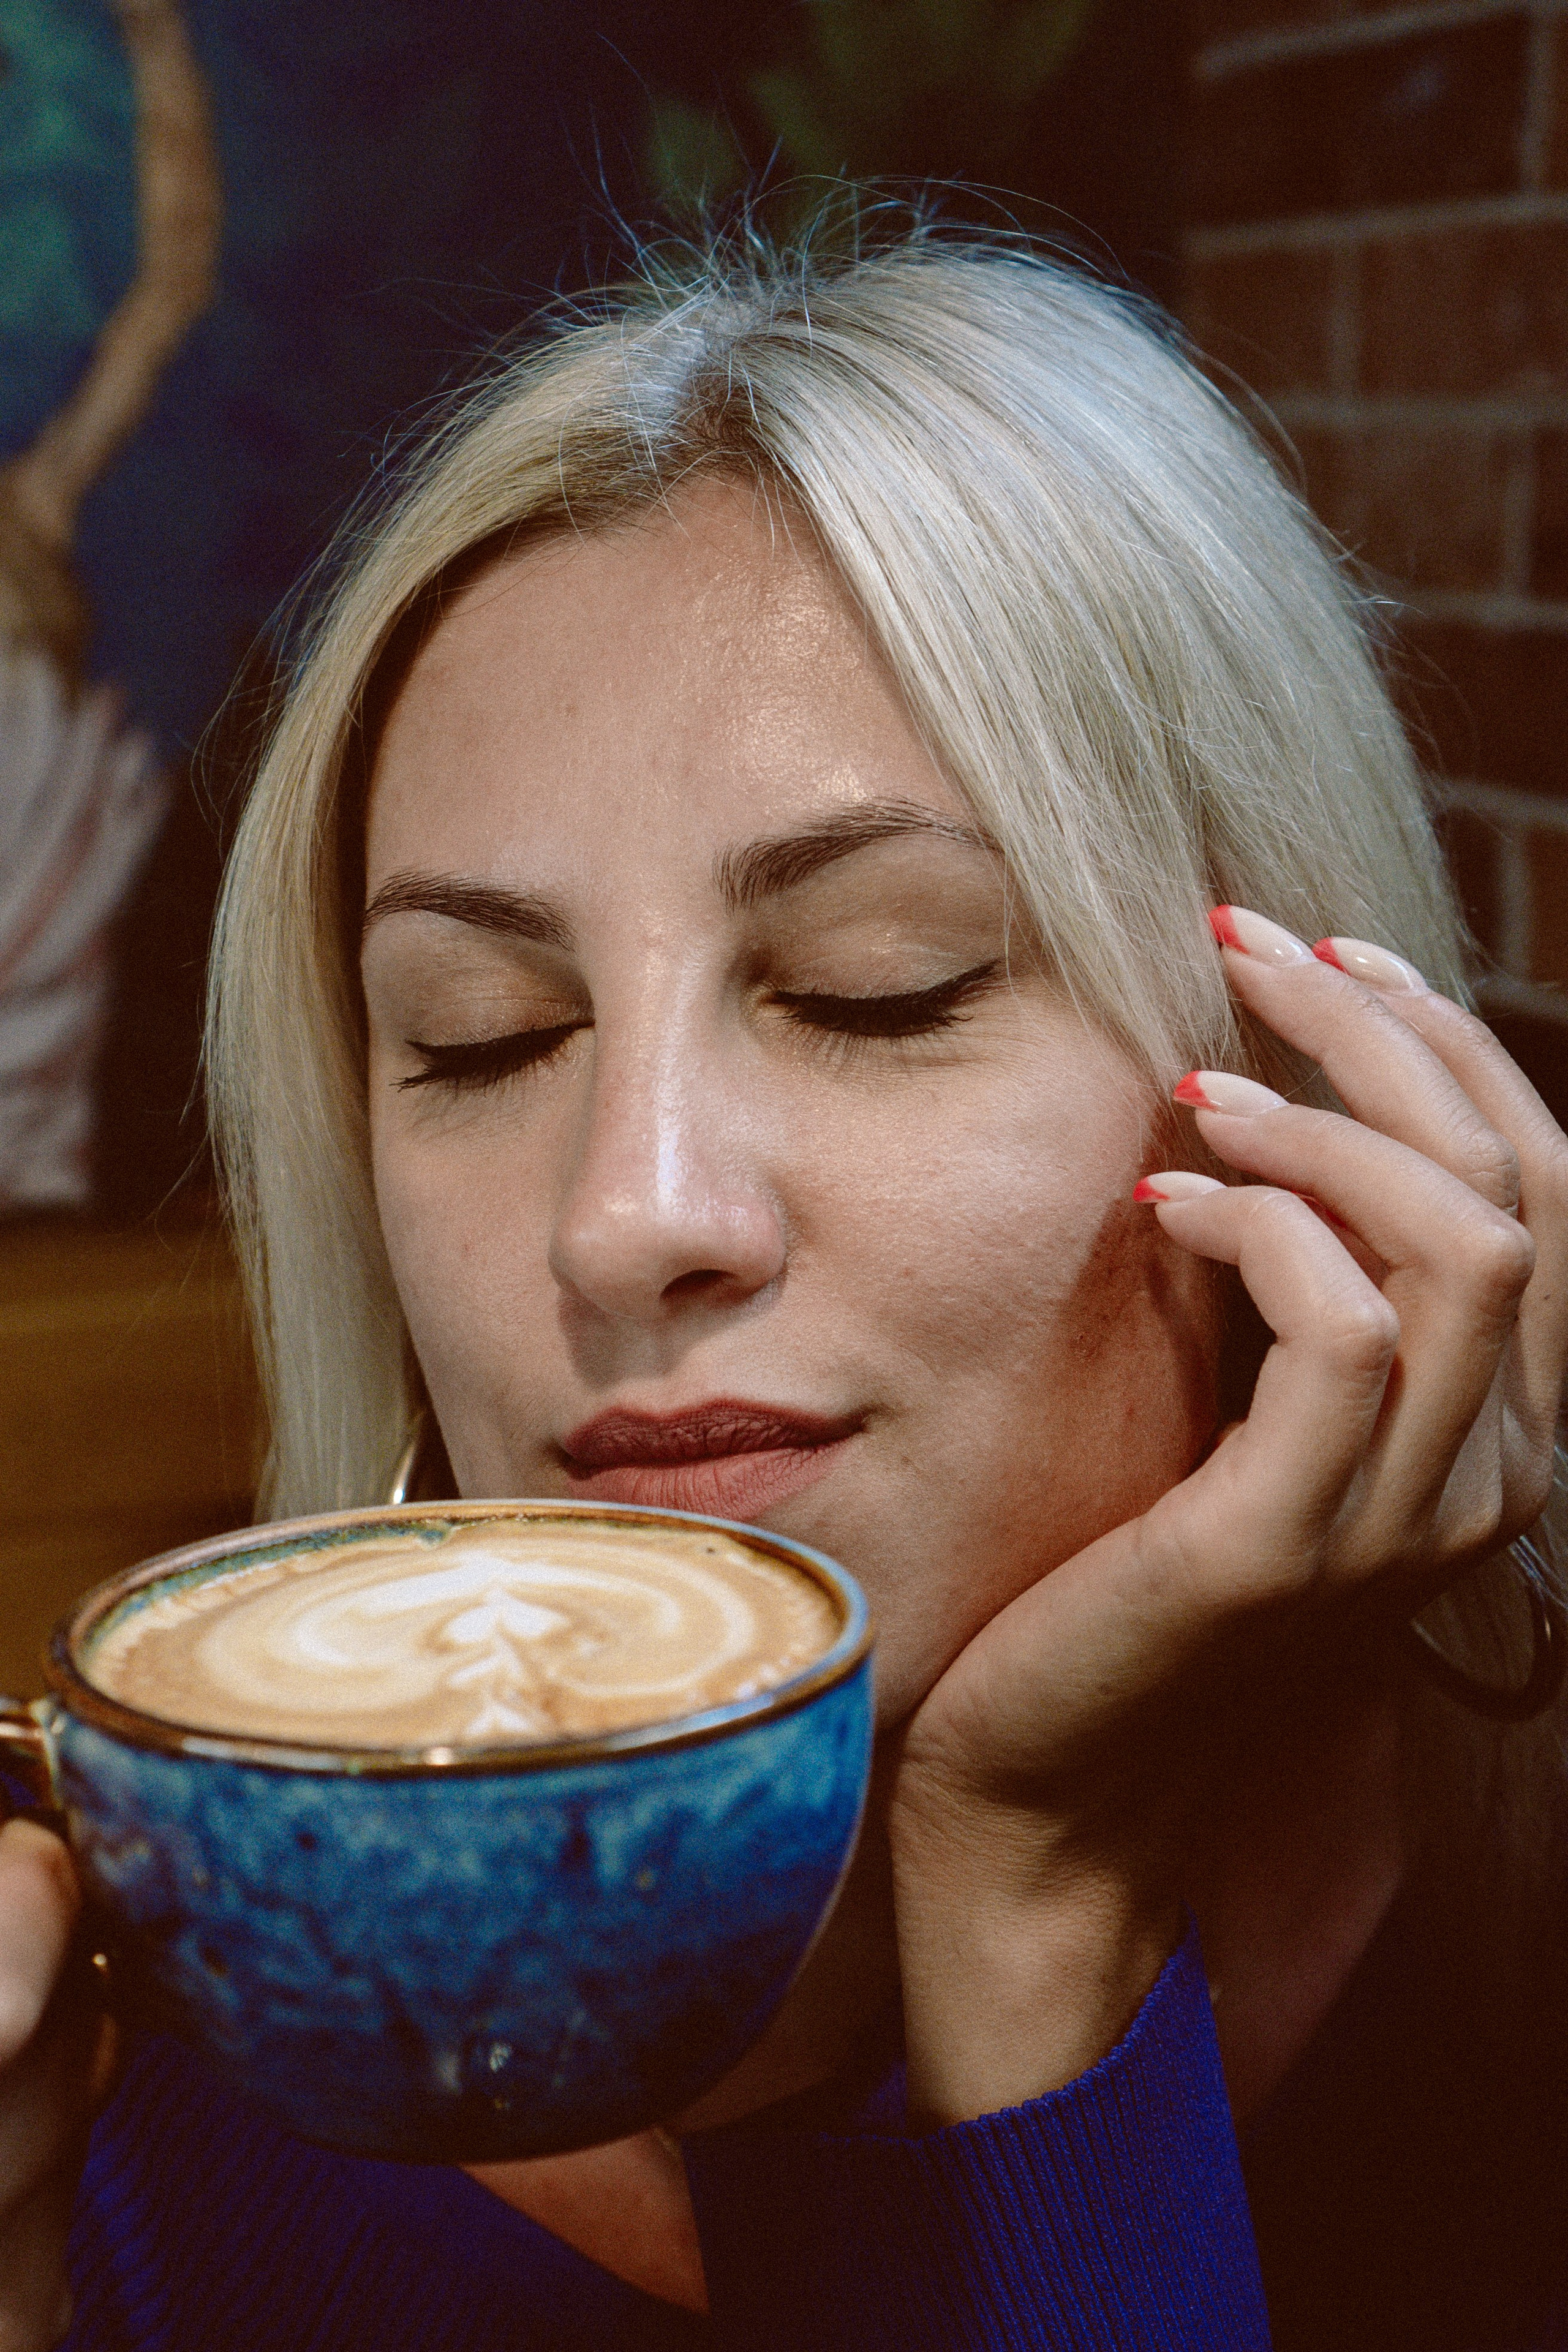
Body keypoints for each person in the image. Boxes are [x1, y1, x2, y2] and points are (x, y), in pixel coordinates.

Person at [3, 223, 1566, 2352]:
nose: (624, 1216)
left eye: (880, 986)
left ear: (1297, 1087)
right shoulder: (97, 2085)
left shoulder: (1510, 1960)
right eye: (472, 1034)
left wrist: (1032, 1892)